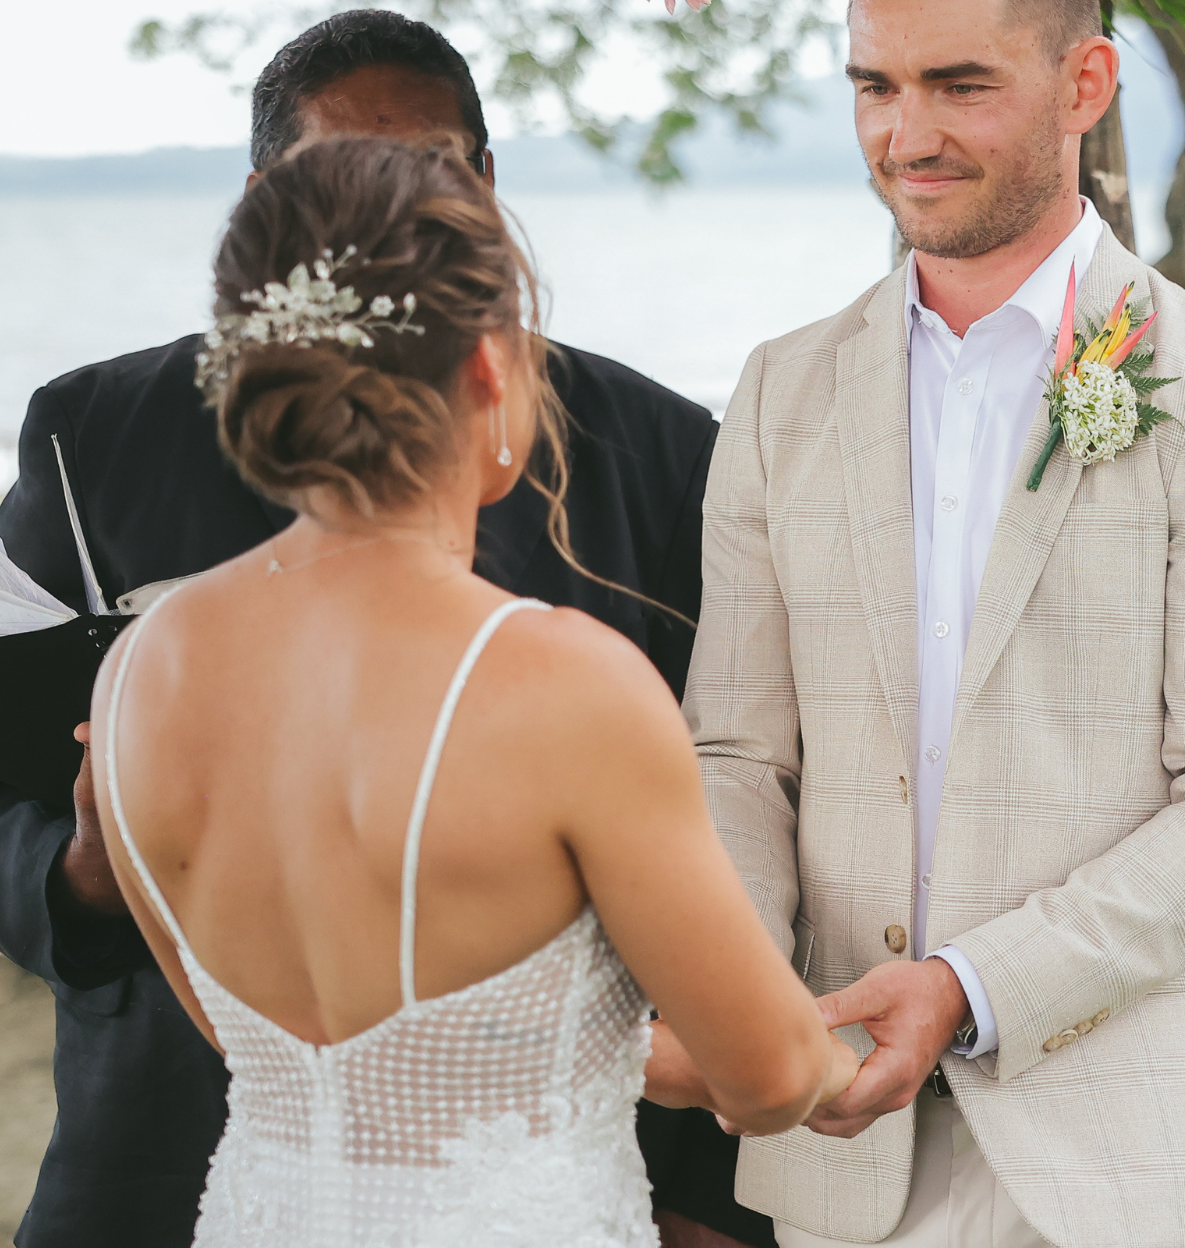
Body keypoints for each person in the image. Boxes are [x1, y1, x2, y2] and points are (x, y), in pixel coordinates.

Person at [0, 11, 767, 1248]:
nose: (395, 219)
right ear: (266, 201)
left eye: (433, 172)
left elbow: (730, 798)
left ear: (484, 181)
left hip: (553, 1167)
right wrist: (85, 873)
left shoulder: (658, 448)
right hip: (172, 1163)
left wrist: (699, 1193)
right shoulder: (98, 432)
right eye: (342, 180)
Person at [674, 0, 1185, 1248]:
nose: (905, 135)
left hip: (1125, 1164)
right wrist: (755, 995)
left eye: (960, 85)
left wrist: (974, 984)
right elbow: (735, 751)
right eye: (875, 85)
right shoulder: (779, 391)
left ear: (1083, 80)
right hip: (840, 1147)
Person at [90, 136, 856, 1246]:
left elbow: (235, 1024)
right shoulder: (561, 682)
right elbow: (771, 1074)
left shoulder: (138, 669)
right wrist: (847, 1052)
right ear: (491, 370)